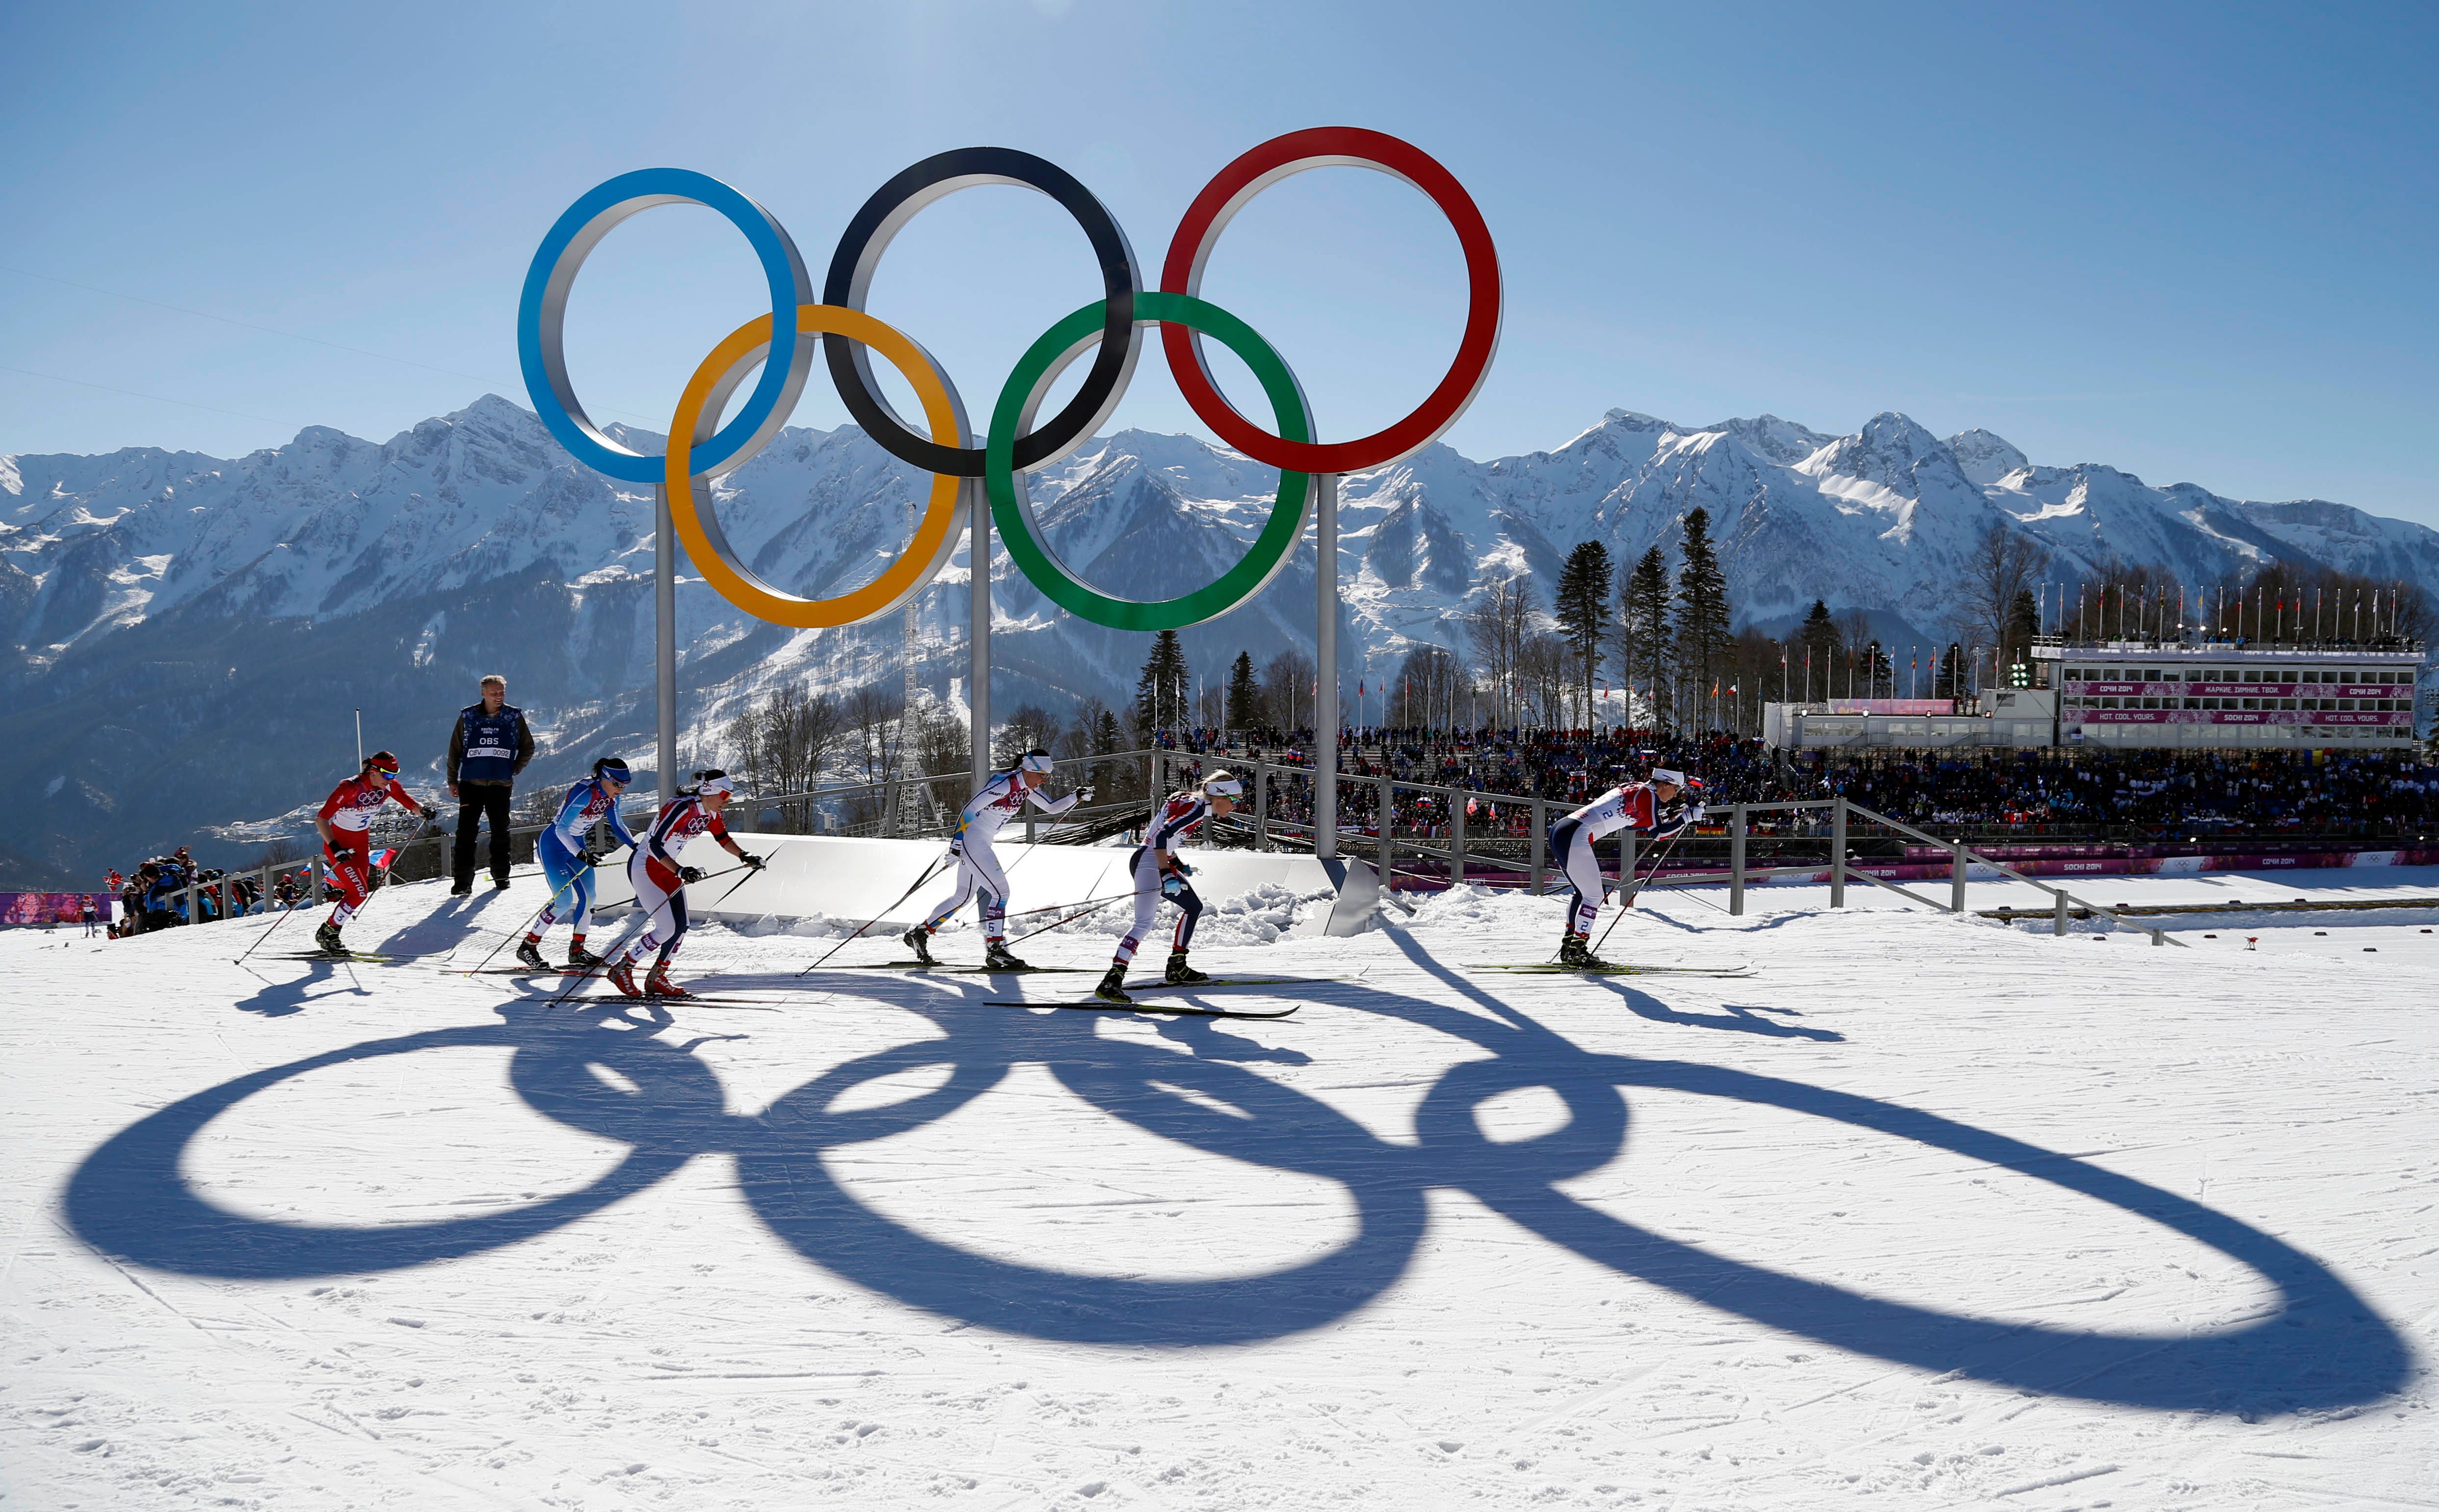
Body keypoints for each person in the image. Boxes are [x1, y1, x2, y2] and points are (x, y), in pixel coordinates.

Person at [902, 749, 1092, 970]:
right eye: (1043, 775)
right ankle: (995, 949)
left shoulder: (1027, 787)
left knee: (962, 896)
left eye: (1047, 776)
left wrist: (1076, 796)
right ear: (1030, 770)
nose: (1044, 781)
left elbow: (1051, 807)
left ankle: (920, 933)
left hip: (981, 842)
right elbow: (970, 808)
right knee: (1001, 893)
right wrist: (956, 845)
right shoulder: (1005, 784)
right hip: (973, 840)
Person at [605, 770, 762, 999]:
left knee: (681, 925)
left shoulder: (711, 812)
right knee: (666, 927)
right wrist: (680, 870)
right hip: (646, 866)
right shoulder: (681, 808)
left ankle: (658, 976)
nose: (727, 802)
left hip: (669, 869)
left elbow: (723, 838)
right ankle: (623, 968)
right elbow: (654, 845)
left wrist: (744, 855)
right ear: (709, 791)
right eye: (725, 796)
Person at [1093, 770, 1242, 1005]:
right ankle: (1112, 980)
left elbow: (1163, 838)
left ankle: (1177, 965)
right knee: (1143, 924)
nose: (1235, 806)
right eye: (1234, 800)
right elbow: (1161, 837)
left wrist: (1177, 865)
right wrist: (1166, 872)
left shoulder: (1192, 802)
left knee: (1193, 907)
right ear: (1219, 796)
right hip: (1149, 863)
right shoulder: (1198, 808)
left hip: (1152, 860)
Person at [1546, 765, 1702, 968]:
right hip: (1576, 835)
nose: (1676, 795)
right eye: (1676, 789)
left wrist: (1666, 816)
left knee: (1583, 893)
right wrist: (1687, 818)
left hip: (1564, 829)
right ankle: (1578, 951)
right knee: (1593, 896)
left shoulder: (1637, 788)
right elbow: (1658, 834)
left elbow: (1630, 823)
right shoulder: (1650, 795)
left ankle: (1569, 946)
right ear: (1665, 784)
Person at [515, 756, 640, 972]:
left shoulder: (611, 798)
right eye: (618, 785)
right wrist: (581, 853)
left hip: (576, 847)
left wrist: (635, 847)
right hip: (554, 847)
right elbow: (561, 828)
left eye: (625, 786)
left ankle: (577, 951)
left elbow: (618, 825)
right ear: (605, 778)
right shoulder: (585, 793)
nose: (621, 790)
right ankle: (528, 946)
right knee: (563, 902)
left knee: (590, 897)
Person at [314, 750, 437, 955]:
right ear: (373, 771)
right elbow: (321, 819)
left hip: (361, 844)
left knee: (358, 893)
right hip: (339, 845)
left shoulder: (388, 786)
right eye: (387, 775)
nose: (390, 780)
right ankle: (329, 932)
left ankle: (329, 929)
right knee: (359, 892)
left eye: (395, 775)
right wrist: (335, 847)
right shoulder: (350, 787)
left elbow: (408, 802)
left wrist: (423, 810)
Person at [446, 674, 534, 895]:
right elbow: (455, 750)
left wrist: (514, 768)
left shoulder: (513, 717)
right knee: (466, 834)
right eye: (494, 693)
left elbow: (528, 746)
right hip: (471, 784)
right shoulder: (468, 717)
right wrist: (452, 780)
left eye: (502, 692)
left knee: (500, 832)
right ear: (483, 693)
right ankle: (463, 883)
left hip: (500, 785)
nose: (499, 696)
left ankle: (502, 877)